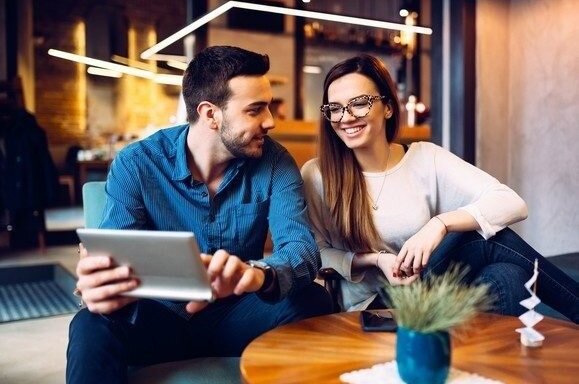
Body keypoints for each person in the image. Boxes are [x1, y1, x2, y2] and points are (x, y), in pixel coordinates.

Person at [67, 46, 332, 384]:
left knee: (312, 300)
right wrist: (101, 280)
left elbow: (301, 249)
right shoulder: (137, 163)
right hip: (158, 317)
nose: (270, 121)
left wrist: (259, 273)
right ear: (210, 114)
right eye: (255, 109)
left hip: (239, 313)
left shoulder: (275, 162)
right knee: (90, 324)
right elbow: (115, 256)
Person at [301, 54, 578, 323]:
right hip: (373, 308)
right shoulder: (317, 174)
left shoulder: (424, 158)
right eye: (334, 108)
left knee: (507, 276)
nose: (346, 117)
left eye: (359, 103)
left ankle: (486, 366)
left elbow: (512, 203)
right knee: (474, 238)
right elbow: (315, 253)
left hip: (429, 297)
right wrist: (374, 260)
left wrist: (439, 224)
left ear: (388, 107)